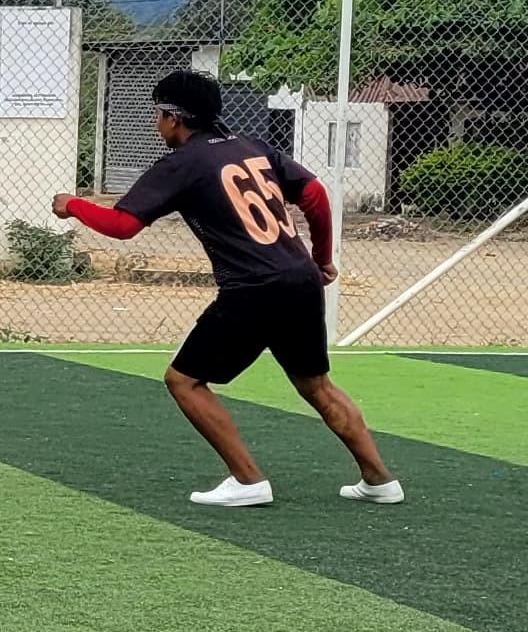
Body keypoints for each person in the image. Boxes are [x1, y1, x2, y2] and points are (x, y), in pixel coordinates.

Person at [51, 69, 402, 508]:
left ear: (174, 117)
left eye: (157, 114)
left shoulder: (181, 164)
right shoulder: (253, 147)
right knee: (317, 386)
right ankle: (379, 480)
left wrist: (73, 206)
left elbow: (123, 226)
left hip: (252, 289)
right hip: (300, 280)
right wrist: (322, 258)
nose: (156, 124)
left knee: (183, 381)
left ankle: (247, 480)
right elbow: (314, 194)